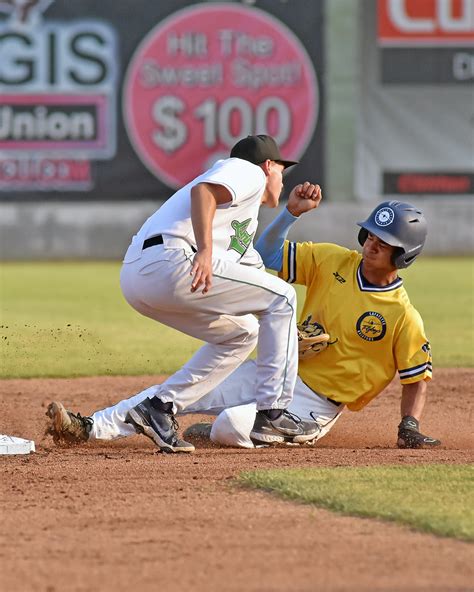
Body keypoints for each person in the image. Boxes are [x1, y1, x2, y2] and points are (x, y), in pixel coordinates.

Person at [46, 196, 440, 450]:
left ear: (404, 254)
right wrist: (290, 213)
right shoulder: (332, 260)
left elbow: (416, 377)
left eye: (385, 241)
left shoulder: (402, 315)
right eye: (371, 233)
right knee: (172, 395)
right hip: (277, 374)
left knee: (231, 424)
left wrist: (409, 424)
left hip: (314, 405)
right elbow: (267, 255)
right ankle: (88, 427)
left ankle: (226, 427)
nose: (372, 243)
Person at [47, 135, 320, 453]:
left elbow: (259, 288)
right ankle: (273, 414)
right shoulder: (248, 172)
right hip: (175, 260)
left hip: (140, 278)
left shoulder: (237, 224)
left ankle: (156, 409)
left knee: (244, 333)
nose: (282, 180)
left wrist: (287, 336)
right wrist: (204, 251)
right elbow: (202, 192)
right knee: (285, 297)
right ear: (268, 165)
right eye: (281, 171)